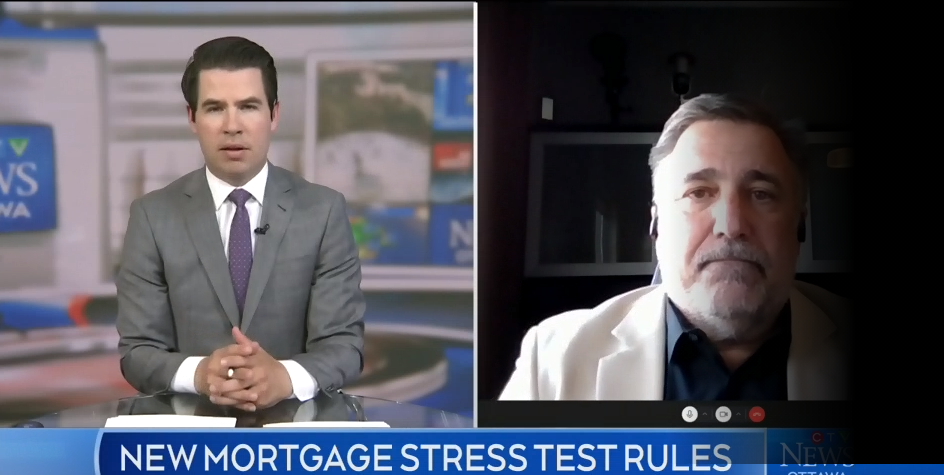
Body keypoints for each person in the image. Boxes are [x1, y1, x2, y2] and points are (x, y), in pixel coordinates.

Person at [499, 93, 850, 401]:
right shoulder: (553, 360)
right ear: (656, 224)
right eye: (699, 193)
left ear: (799, 224)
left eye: (761, 194)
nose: (731, 226)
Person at [116, 36, 366, 413]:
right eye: (215, 108)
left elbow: (344, 346)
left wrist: (284, 378)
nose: (232, 126)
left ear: (274, 115)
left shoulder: (323, 211)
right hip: (190, 437)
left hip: (295, 436)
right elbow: (137, 352)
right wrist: (201, 374)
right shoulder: (152, 216)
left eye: (248, 106)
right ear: (192, 118)